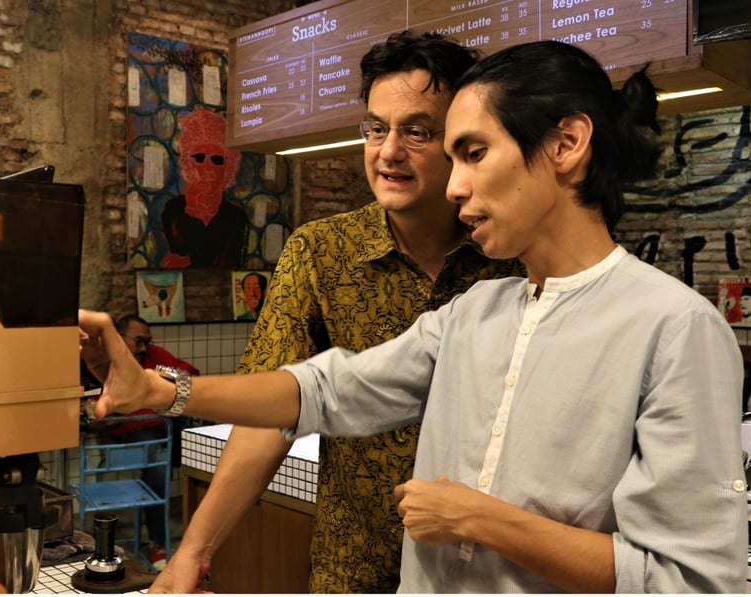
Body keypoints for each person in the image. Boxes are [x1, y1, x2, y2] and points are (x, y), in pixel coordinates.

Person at [79, 40, 747, 593]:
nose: (456, 186)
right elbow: (326, 388)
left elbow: (693, 579)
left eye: (471, 152)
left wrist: (482, 519)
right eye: (378, 129)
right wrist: (164, 391)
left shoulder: (674, 328)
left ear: (567, 143)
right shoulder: (475, 310)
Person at [156, 29, 521, 594]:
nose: (388, 152)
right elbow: (274, 405)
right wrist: (191, 554)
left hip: (487, 570)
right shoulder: (321, 253)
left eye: (417, 132)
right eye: (376, 129)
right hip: (354, 564)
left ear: (463, 142)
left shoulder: (513, 259)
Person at [81, 314, 200, 571]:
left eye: (148, 341)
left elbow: (190, 374)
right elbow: (90, 402)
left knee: (202, 436)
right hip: (137, 433)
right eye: (139, 341)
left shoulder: (153, 356)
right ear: (120, 339)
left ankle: (199, 540)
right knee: (158, 460)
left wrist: (161, 380)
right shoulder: (103, 361)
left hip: (166, 426)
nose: (144, 348)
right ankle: (157, 542)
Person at [161, 107, 248, 268]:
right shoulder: (173, 211)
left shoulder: (236, 219)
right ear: (188, 162)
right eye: (199, 157)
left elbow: (229, 264)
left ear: (228, 168)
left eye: (217, 159)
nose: (207, 167)